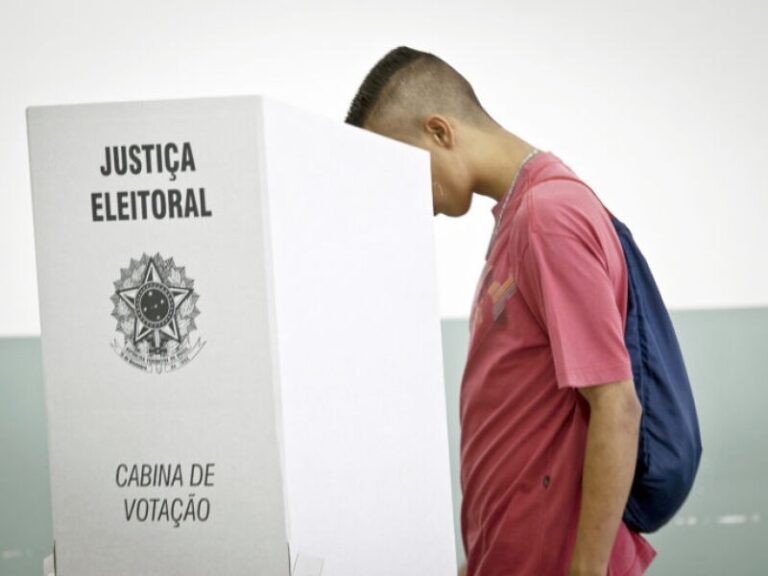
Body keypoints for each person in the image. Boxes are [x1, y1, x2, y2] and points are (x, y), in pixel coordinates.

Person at [345, 46, 657, 576]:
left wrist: (585, 571)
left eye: (401, 167)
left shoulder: (547, 217)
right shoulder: (519, 218)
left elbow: (617, 407)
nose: (403, 195)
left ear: (440, 132)